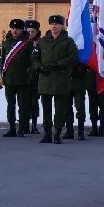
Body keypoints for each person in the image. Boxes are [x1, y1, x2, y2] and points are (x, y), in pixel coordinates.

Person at [32, 14, 76, 144]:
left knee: (60, 109)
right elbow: (34, 57)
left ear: (62, 26)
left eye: (56, 24)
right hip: (45, 80)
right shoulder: (43, 41)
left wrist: (57, 64)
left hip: (60, 80)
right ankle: (47, 133)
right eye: (51, 24)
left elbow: (73, 58)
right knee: (46, 109)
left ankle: (57, 133)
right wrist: (39, 67)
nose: (53, 26)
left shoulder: (68, 41)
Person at [0, 18, 31, 138]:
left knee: (23, 105)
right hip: (9, 79)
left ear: (22, 30)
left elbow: (32, 62)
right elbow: (0, 62)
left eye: (17, 29)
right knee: (10, 105)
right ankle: (11, 128)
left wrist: (30, 77)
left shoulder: (27, 43)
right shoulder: (5, 43)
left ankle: (21, 128)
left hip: (23, 79)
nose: (15, 31)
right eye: (13, 28)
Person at [24, 19, 42, 134]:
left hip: (36, 79)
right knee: (24, 103)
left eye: (33, 31)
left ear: (37, 32)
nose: (30, 33)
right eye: (28, 31)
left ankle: (34, 125)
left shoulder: (41, 44)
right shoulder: (21, 44)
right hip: (24, 79)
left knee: (34, 103)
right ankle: (25, 125)